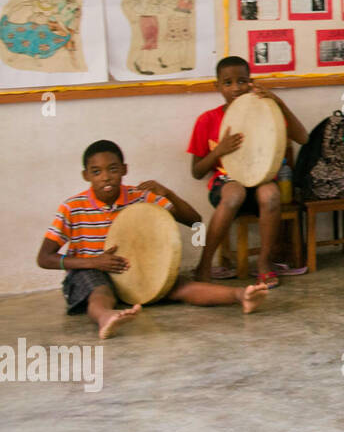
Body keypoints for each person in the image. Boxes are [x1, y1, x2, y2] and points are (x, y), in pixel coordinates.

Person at [38, 140, 269, 339]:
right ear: (86, 175)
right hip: (89, 269)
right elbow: (44, 258)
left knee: (180, 286)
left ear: (124, 169)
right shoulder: (72, 207)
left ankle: (240, 296)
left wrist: (168, 194)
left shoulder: (139, 197)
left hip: (134, 270)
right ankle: (105, 317)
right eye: (96, 171)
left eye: (113, 169)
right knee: (101, 292)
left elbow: (194, 221)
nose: (106, 177)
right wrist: (93, 262)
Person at [188, 55, 309, 287]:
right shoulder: (208, 120)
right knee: (234, 193)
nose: (236, 88)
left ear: (251, 82)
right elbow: (196, 171)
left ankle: (265, 264)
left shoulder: (265, 111)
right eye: (228, 82)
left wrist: (279, 104)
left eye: (242, 81)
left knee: (270, 194)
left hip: (261, 180)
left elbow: (302, 137)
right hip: (227, 184)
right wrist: (218, 151)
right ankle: (204, 265)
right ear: (217, 86)